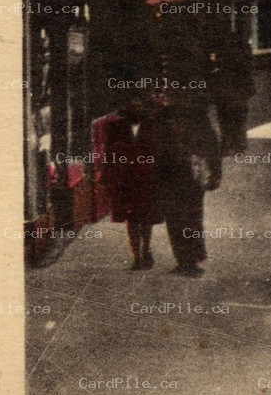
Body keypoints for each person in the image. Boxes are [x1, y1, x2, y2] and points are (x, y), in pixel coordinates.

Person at [156, 88, 223, 277]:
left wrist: (215, 172)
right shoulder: (164, 117)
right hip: (173, 173)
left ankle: (190, 259)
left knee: (185, 216)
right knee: (182, 216)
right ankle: (187, 259)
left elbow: (212, 145)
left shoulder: (193, 117)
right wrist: (216, 172)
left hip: (188, 173)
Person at [94, 91, 162, 270]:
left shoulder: (153, 125)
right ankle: (137, 256)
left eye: (139, 106)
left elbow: (160, 152)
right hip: (126, 180)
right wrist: (106, 175)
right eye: (133, 106)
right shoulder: (115, 127)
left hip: (147, 178)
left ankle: (146, 249)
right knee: (131, 219)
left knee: (147, 219)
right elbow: (109, 152)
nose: (136, 109)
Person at [210, 31, 256, 155]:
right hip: (239, 90)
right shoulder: (244, 51)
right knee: (238, 119)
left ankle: (227, 145)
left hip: (227, 90)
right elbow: (248, 69)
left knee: (225, 119)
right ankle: (239, 146)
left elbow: (216, 68)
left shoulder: (222, 54)